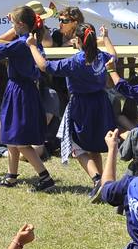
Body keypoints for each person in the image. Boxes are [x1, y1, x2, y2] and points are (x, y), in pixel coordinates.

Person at [28, 23, 112, 194]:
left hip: (81, 105)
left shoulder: (75, 62)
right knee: (94, 146)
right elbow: (114, 56)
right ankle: (105, 183)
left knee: (76, 146)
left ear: (79, 40)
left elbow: (44, 66)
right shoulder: (102, 56)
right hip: (101, 103)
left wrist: (32, 46)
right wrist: (107, 38)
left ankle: (97, 179)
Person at [0, 5, 55, 191]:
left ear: (21, 24)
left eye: (13, 23)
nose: (12, 26)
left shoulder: (21, 42)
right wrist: (14, 24)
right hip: (24, 90)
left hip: (19, 91)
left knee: (20, 141)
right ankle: (11, 176)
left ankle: (45, 177)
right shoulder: (32, 40)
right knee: (11, 137)